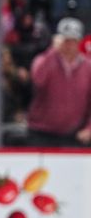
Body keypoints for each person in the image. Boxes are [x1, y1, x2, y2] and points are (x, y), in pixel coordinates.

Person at [27, 17, 91, 146]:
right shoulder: (43, 60)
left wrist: (89, 128)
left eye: (73, 41)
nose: (69, 45)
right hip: (40, 132)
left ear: (79, 42)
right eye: (65, 40)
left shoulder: (88, 67)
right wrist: (52, 51)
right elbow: (38, 81)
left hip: (73, 134)